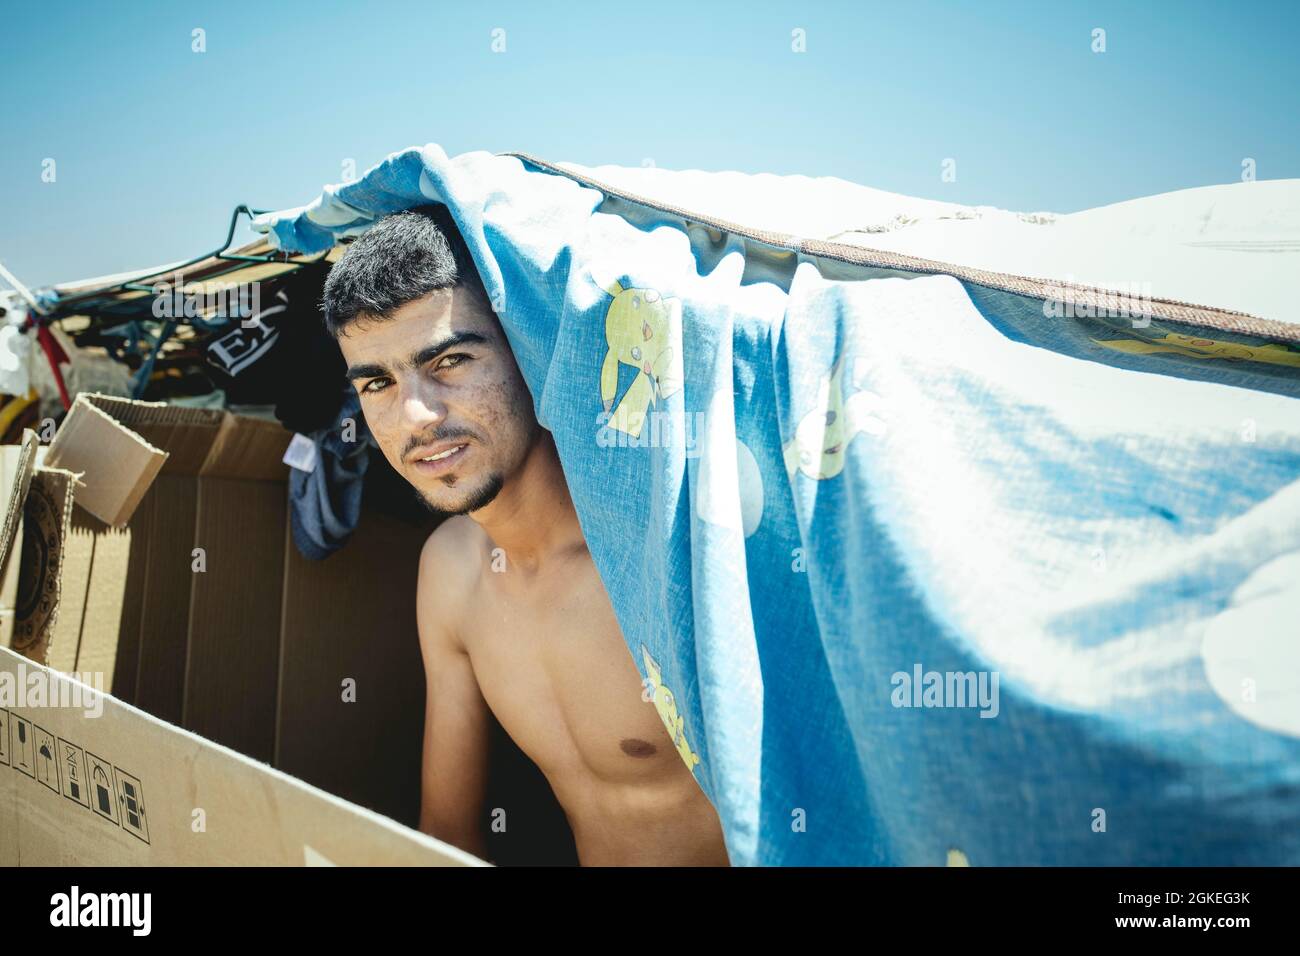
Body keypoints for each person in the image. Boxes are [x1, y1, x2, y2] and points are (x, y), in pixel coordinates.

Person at [321, 206, 731, 866]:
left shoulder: (660, 556)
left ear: (529, 349)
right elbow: (449, 833)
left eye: (449, 360)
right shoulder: (450, 570)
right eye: (378, 382)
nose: (416, 416)